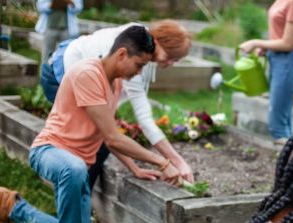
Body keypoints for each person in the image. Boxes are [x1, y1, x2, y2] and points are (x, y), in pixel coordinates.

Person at [0, 26, 180, 223]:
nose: (139, 73)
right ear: (121, 54)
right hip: (50, 152)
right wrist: (163, 162)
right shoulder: (87, 73)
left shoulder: (115, 83)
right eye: (139, 64)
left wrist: (135, 168)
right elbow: (114, 139)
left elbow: (109, 134)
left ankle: (12, 207)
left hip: (76, 166)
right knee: (76, 173)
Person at [40, 20, 193, 188]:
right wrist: (176, 162)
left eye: (176, 60)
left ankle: (81, 196)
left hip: (76, 57)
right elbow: (143, 121)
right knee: (87, 140)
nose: (170, 63)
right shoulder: (131, 54)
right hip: (58, 71)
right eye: (170, 56)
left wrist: (135, 168)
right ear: (157, 42)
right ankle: (73, 194)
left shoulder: (141, 46)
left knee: (101, 138)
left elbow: (112, 133)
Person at [239, 0, 293, 145]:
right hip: (277, 59)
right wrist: (268, 48)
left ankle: (287, 161)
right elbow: (279, 36)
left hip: (288, 61)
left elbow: (288, 44)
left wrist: (256, 43)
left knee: (277, 124)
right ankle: (290, 160)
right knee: (282, 118)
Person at [35, 0, 83, 64]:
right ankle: (46, 73)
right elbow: (40, 7)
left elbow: (79, 8)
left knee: (66, 54)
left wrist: (71, 3)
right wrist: (52, 5)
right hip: (49, 28)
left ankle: (62, 73)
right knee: (47, 55)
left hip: (67, 29)